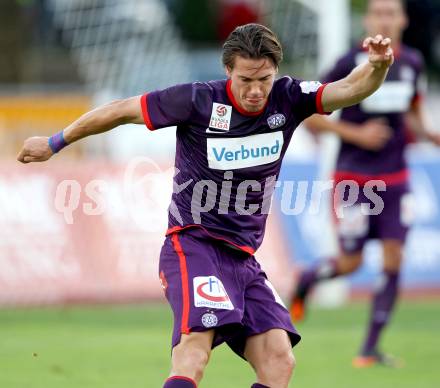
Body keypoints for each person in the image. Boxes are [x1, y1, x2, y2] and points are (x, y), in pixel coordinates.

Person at [18, 23, 394, 388]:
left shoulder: (288, 96)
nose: (255, 90)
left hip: (244, 259)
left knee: (279, 360)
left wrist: (377, 67)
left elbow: (349, 89)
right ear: (228, 70)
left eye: (264, 79)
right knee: (194, 351)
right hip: (193, 244)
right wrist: (54, 143)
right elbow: (119, 110)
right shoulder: (196, 100)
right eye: (245, 79)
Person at [289, 0, 440, 369]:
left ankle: (368, 349)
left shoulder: (412, 64)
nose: (385, 20)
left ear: (403, 19)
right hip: (354, 180)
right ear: (368, 19)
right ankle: (307, 279)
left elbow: (413, 114)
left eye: (392, 13)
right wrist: (355, 133)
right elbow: (308, 116)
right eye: (379, 13)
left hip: (397, 180)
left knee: (393, 259)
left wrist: (431, 136)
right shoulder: (348, 63)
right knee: (351, 263)